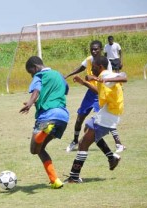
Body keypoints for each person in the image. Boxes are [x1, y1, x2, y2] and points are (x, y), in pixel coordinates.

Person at [65, 55, 127, 183]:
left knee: (83, 143)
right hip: (107, 113)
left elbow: (124, 77)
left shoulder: (105, 75)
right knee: (87, 128)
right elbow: (99, 92)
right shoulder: (103, 77)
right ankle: (111, 157)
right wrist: (84, 82)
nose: (91, 69)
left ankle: (74, 176)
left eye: (93, 67)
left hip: (108, 115)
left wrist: (99, 79)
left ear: (100, 67)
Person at [64, 40, 125, 153]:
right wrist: (68, 75)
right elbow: (81, 68)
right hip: (90, 93)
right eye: (92, 49)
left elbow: (115, 78)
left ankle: (118, 144)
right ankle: (75, 141)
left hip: (101, 93)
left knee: (105, 118)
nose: (94, 51)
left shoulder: (105, 62)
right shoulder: (89, 60)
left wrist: (97, 79)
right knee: (80, 118)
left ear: (101, 49)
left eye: (96, 49)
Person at [19, 56, 69, 189]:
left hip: (47, 117)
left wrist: (30, 103)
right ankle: (55, 180)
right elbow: (64, 90)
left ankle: (44, 131)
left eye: (31, 72)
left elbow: (37, 90)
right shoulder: (59, 75)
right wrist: (37, 101)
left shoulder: (39, 75)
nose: (31, 76)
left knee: (33, 149)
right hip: (62, 117)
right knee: (40, 149)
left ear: (35, 67)